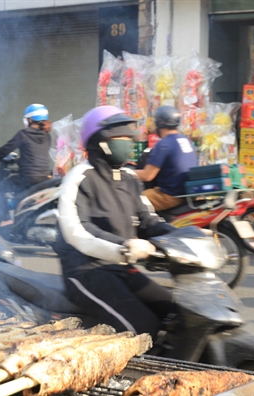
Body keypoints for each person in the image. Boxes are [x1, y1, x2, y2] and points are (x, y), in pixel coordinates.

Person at [55, 105, 176, 340]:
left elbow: (147, 218)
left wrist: (179, 235)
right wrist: (123, 245)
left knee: (176, 311)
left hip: (122, 267)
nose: (127, 143)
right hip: (85, 272)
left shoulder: (130, 178)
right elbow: (78, 230)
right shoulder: (80, 177)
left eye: (128, 137)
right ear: (100, 141)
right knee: (143, 329)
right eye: (120, 137)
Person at [0, 103, 52, 226]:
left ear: (29, 119)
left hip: (28, 178)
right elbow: (36, 155)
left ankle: (3, 219)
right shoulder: (47, 136)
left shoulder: (23, 134)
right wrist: (20, 159)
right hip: (44, 178)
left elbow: (5, 149)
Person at [134, 105, 198, 211]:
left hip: (168, 196)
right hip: (185, 194)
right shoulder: (187, 141)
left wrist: (125, 172)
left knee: (129, 201)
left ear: (159, 124)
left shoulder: (164, 144)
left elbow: (147, 176)